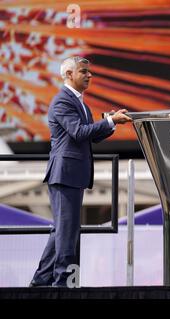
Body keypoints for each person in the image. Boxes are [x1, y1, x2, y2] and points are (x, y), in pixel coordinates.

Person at [29, 56, 132, 287]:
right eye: (84, 71)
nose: (89, 75)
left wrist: (112, 122)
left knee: (63, 230)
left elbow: (91, 135)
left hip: (72, 174)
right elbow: (78, 132)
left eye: (89, 72)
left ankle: (41, 280)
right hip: (65, 174)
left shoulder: (81, 104)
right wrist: (109, 122)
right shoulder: (63, 101)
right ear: (68, 75)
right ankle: (63, 282)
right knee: (66, 231)